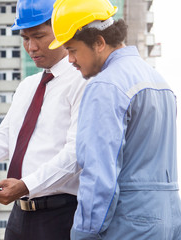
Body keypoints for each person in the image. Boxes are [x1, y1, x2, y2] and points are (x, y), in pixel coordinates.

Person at [0, 0, 87, 239]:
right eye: (24, 38)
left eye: (39, 36)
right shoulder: (28, 86)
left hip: (60, 215)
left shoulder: (82, 81)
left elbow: (75, 154)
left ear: (63, 30)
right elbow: (6, 137)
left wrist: (26, 185)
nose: (31, 47)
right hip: (19, 216)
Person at [49, 0, 181, 239]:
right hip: (167, 222)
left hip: (127, 226)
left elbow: (98, 175)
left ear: (99, 43)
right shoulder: (159, 81)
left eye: (72, 50)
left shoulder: (105, 86)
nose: (69, 60)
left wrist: (83, 233)